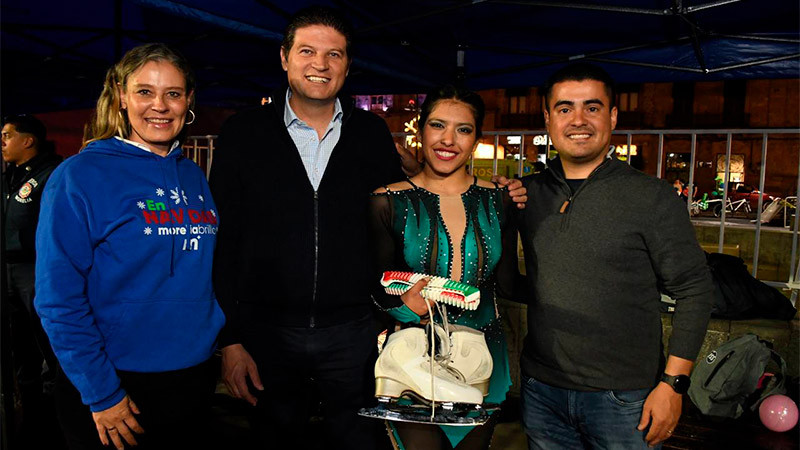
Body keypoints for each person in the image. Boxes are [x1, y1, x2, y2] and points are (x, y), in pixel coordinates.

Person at [209, 6, 525, 449]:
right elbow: (224, 243)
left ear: (347, 65)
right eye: (307, 51)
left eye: (333, 54)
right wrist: (232, 339)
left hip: (354, 332)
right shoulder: (243, 134)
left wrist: (496, 190)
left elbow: (407, 200)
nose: (320, 64)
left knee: (361, 441)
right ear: (284, 57)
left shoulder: (371, 133)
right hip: (268, 333)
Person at [506, 63, 714, 449]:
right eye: (565, 108)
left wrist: (673, 385)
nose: (578, 120)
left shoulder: (651, 197)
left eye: (593, 107)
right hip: (542, 392)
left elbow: (694, 290)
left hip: (625, 399)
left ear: (613, 117)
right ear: (548, 118)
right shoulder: (526, 194)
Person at [34, 43, 225, 450]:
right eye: (144, 92)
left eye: (173, 93)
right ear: (121, 96)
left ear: (188, 100)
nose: (160, 105)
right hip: (115, 383)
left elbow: (202, 276)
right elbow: (57, 299)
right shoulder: (79, 176)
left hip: (191, 378)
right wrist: (101, 393)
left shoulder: (192, 175)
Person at [369, 85, 513, 450]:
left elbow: (510, 283)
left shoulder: (501, 198)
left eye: (463, 129)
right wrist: (402, 308)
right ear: (421, 131)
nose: (448, 140)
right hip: (413, 361)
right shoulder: (386, 201)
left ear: (477, 139)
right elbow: (371, 285)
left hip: (484, 364)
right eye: (437, 125)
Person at [2, 114, 62, 447]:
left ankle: (55, 416)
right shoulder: (9, 176)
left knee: (47, 342)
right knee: (19, 344)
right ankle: (30, 412)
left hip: (37, 270)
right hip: (8, 269)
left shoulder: (51, 174)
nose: (2, 142)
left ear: (28, 140)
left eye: (7, 135)